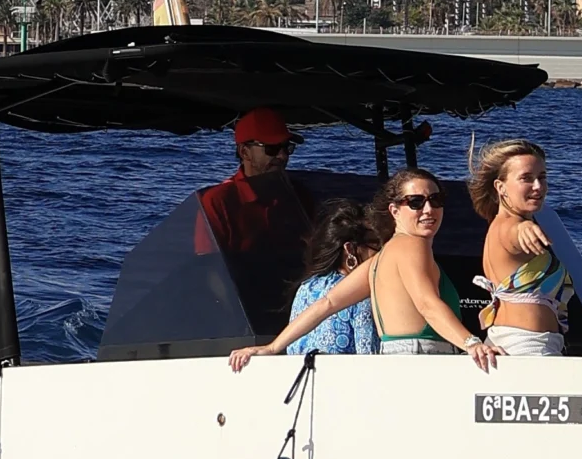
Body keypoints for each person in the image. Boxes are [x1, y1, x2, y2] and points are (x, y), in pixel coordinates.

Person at [230, 169, 501, 371]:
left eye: (436, 200)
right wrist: (471, 343)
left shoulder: (381, 258)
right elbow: (426, 304)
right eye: (416, 202)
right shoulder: (411, 246)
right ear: (394, 210)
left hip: (394, 361)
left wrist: (273, 347)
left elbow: (328, 303)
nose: (429, 209)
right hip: (425, 360)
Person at [196, 107, 315, 327]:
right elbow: (210, 270)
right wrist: (236, 320)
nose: (282, 156)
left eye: (286, 148)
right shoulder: (219, 201)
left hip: (295, 312)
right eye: (272, 149)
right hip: (245, 314)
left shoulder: (298, 195)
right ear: (245, 152)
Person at [468, 138, 573, 356]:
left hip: (511, 339)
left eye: (542, 177)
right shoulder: (510, 227)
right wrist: (524, 227)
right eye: (526, 178)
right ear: (500, 187)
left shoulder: (497, 225)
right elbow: (514, 233)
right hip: (528, 346)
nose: (538, 186)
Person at [285, 199, 381, 356]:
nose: (382, 254)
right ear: (350, 249)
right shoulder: (358, 296)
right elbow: (369, 357)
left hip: (304, 370)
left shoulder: (306, 287)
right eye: (376, 244)